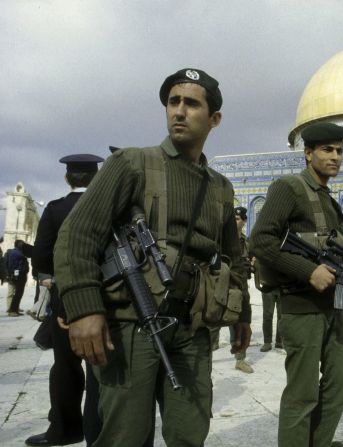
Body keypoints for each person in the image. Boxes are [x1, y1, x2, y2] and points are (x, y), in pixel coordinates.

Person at [53, 68, 251, 446]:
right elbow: (78, 235)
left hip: (193, 330)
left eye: (191, 103)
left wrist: (241, 314)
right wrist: (83, 309)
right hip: (132, 325)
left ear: (214, 119)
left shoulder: (221, 188)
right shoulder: (132, 164)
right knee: (124, 436)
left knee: (189, 433)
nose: (178, 111)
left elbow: (232, 257)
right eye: (173, 102)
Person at [249, 122, 343, 447]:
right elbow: (260, 240)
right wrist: (307, 271)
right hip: (302, 309)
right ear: (308, 153)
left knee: (339, 384)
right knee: (301, 395)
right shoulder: (289, 187)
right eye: (327, 150)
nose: (335, 156)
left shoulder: (328, 200)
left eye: (340, 151)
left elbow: (337, 256)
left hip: (334, 308)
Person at [26, 154, 104, 447]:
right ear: (96, 178)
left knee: (66, 366)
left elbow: (43, 257)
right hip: (104, 295)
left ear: (67, 178)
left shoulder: (57, 209)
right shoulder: (106, 208)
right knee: (100, 366)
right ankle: (98, 431)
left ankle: (65, 430)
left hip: (66, 297)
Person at [229, 206, 254, 373]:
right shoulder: (225, 239)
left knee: (242, 321)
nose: (235, 222)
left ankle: (240, 359)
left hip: (242, 287)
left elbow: (253, 258)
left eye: (238, 219)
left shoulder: (246, 241)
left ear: (244, 221)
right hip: (226, 285)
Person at [6, 239, 29, 316]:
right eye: (23, 244)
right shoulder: (17, 253)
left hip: (20, 274)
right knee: (17, 294)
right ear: (19, 245)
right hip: (19, 275)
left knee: (18, 294)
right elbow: (14, 265)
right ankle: (12, 310)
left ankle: (15, 309)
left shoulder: (17, 252)